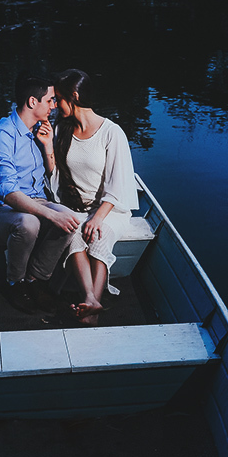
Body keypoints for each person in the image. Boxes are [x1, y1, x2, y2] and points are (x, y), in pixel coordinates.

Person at [0, 72, 80, 313]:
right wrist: (51, 215)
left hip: (37, 200)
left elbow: (51, 177)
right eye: (50, 100)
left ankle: (36, 280)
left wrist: (48, 146)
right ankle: (15, 283)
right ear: (32, 102)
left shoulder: (39, 130)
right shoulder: (3, 135)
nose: (54, 105)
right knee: (29, 224)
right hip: (2, 210)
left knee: (70, 218)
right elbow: (7, 192)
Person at [50, 69, 138, 325]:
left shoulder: (111, 132)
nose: (54, 105)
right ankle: (91, 300)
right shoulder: (61, 129)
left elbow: (118, 184)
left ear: (74, 96)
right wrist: (46, 148)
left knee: (99, 236)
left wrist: (97, 218)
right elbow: (55, 176)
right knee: (74, 235)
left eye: (58, 99)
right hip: (75, 207)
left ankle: (91, 308)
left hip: (110, 209)